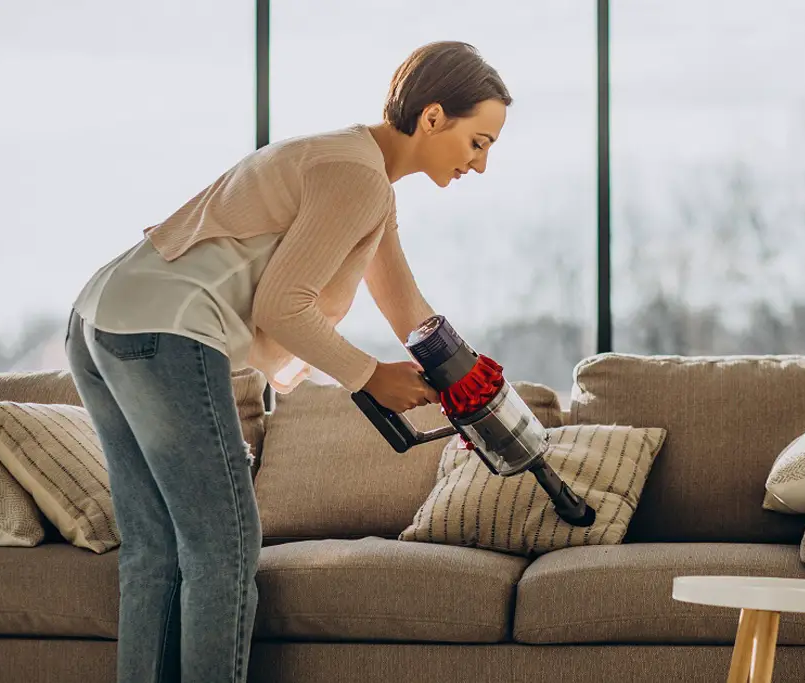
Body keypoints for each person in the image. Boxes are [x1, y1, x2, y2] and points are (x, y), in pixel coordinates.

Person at [63, 40, 511, 683]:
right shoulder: (355, 175)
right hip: (166, 329)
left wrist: (462, 373)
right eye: (479, 142)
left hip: (102, 319)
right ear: (434, 117)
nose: (483, 163)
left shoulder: (356, 168)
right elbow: (281, 305)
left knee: (155, 550)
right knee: (224, 547)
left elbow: (401, 299)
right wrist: (369, 377)